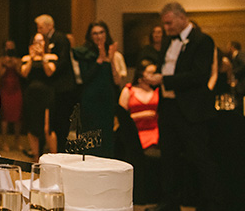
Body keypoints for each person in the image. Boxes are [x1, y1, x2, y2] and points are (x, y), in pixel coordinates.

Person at [144, 2, 223, 211]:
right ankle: (170, 201)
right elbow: (168, 67)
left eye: (169, 23)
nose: (166, 28)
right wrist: (156, 78)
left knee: (201, 158)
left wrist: (164, 80)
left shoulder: (202, 40)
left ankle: (215, 209)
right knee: (168, 156)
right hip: (168, 106)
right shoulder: (168, 40)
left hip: (191, 108)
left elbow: (199, 75)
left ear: (181, 18)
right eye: (164, 24)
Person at [72, 21, 122, 158]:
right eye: (95, 33)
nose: (99, 36)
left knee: (107, 134)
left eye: (101, 32)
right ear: (90, 35)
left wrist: (110, 58)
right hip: (91, 99)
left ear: (106, 34)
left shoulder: (112, 52)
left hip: (107, 98)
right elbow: (85, 77)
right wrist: (100, 59)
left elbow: (117, 80)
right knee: (91, 135)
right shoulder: (83, 53)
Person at [34, 14, 78, 152]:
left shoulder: (60, 38)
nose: (39, 30)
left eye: (41, 27)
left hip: (64, 87)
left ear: (50, 26)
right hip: (53, 88)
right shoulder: (47, 40)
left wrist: (51, 69)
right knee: (53, 122)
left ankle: (62, 150)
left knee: (62, 122)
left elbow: (63, 61)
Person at [20, 33, 57, 159]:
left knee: (48, 128)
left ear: (45, 43)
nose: (38, 44)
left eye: (41, 41)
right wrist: (32, 58)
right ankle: (36, 158)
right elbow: (24, 73)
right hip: (31, 95)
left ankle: (54, 157)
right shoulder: (26, 58)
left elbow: (50, 72)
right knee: (32, 127)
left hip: (46, 94)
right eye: (36, 41)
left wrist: (43, 57)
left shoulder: (51, 57)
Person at [119, 61, 160, 152]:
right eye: (149, 73)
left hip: (155, 131)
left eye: (154, 73)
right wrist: (142, 115)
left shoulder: (157, 91)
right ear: (141, 74)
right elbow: (121, 117)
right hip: (135, 131)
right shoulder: (129, 90)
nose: (153, 76)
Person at [0, 40, 24, 152]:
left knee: (18, 116)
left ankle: (17, 141)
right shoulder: (0, 60)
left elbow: (22, 74)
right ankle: (4, 142)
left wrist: (15, 64)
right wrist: (5, 65)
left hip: (16, 88)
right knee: (5, 116)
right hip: (5, 89)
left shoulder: (18, 60)